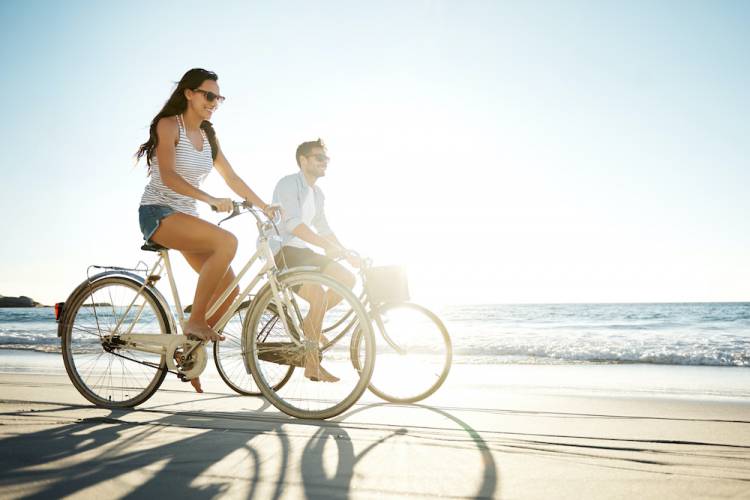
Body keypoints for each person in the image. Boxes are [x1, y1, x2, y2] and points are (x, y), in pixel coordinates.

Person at [136, 68, 277, 392]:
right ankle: (195, 321)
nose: (214, 102)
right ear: (189, 93)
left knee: (229, 295)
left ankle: (189, 352)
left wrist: (264, 205)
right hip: (158, 214)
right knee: (227, 242)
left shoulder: (209, 137)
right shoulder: (169, 125)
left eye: (219, 98)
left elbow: (233, 179)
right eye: (209, 95)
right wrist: (209, 198)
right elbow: (169, 177)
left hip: (186, 218)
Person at [271, 138, 360, 382]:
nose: (325, 162)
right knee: (318, 296)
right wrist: (328, 246)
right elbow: (294, 225)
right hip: (282, 250)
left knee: (346, 279)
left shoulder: (317, 193)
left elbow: (323, 227)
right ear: (303, 160)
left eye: (326, 158)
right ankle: (312, 366)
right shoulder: (288, 184)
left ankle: (310, 323)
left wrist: (344, 252)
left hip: (302, 249)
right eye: (319, 158)